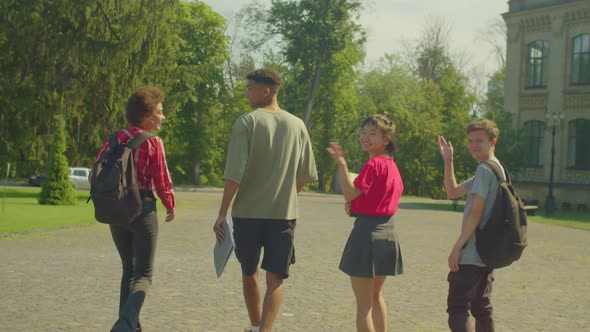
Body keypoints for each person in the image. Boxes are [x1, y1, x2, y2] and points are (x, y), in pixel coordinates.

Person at [213, 68, 318, 332]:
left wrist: (221, 213)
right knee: (276, 277)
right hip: (283, 214)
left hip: (247, 213)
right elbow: (305, 175)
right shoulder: (297, 125)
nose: (247, 92)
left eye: (250, 88)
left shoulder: (246, 122)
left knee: (249, 272)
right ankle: (264, 329)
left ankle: (256, 324)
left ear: (266, 90)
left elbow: (234, 173)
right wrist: (286, 191)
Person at [93, 86, 176, 332]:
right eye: (160, 112)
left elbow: (93, 175)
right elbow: (162, 180)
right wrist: (170, 205)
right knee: (144, 275)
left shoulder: (114, 138)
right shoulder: (153, 142)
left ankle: (129, 326)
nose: (163, 117)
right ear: (146, 116)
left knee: (128, 270)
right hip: (143, 210)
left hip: (116, 211)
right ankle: (124, 325)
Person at [326, 114, 404, 332]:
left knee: (363, 306)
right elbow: (376, 199)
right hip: (388, 233)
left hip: (368, 233)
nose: (365, 138)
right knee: (376, 295)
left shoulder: (373, 164)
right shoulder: (392, 166)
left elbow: (349, 193)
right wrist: (357, 206)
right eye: (364, 132)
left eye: (372, 133)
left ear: (386, 139)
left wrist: (341, 164)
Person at [438, 118, 503, 332]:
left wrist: (457, 247)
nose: (473, 145)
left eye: (479, 141)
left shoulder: (485, 170)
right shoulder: (495, 169)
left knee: (458, 307)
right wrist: (448, 160)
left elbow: (476, 212)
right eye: (470, 141)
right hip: (488, 253)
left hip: (473, 252)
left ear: (493, 141)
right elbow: (453, 191)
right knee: (481, 307)